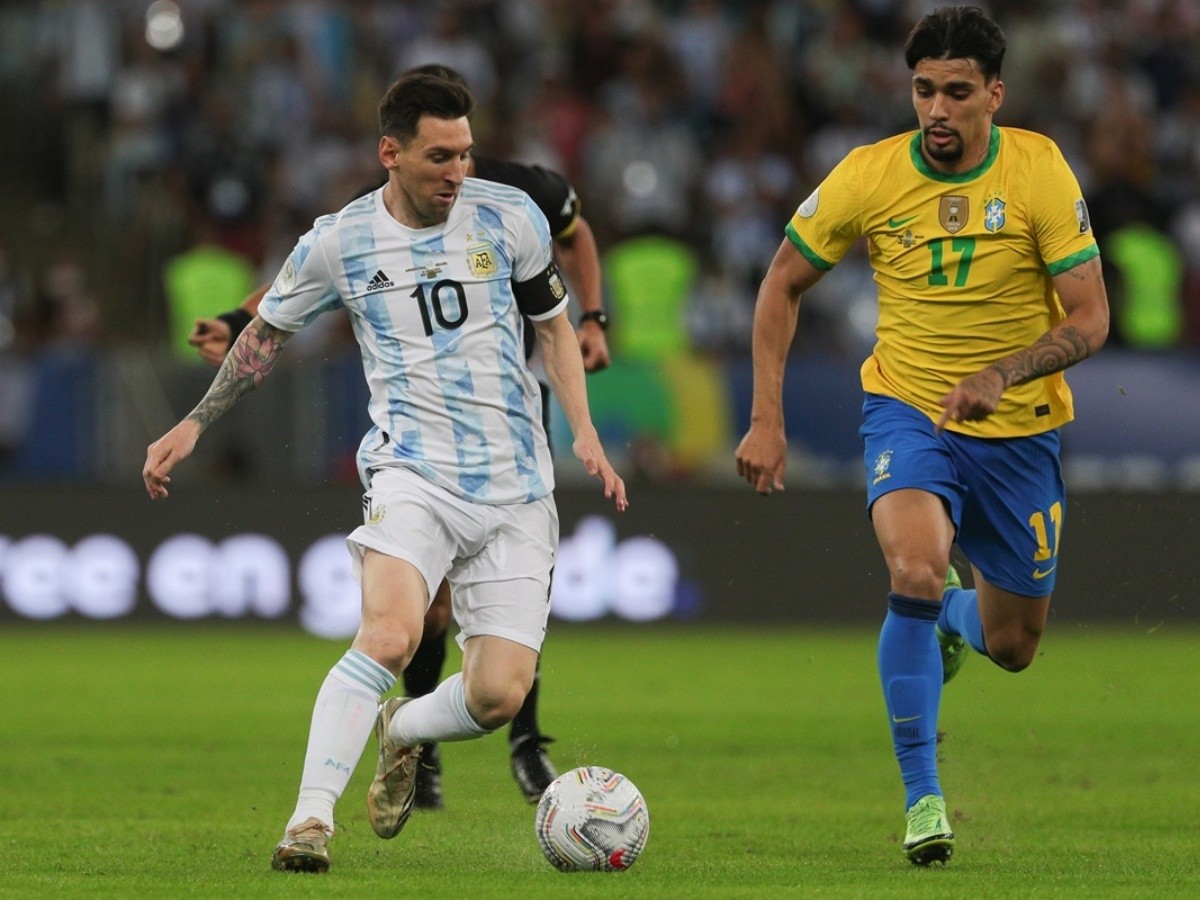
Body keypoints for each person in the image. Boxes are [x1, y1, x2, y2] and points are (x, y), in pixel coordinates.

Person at [143, 72, 627, 875]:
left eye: (465, 153)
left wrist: (585, 434)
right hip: (412, 473)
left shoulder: (511, 216)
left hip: (517, 485)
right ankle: (308, 822)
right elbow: (266, 334)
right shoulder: (341, 240)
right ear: (390, 154)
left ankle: (401, 727)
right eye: (440, 157)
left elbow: (552, 328)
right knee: (391, 634)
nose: (458, 172)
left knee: (498, 696)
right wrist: (194, 423)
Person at [734, 5, 1109, 866]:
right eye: (924, 90)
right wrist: (765, 418)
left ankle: (951, 614)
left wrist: (1002, 374)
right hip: (908, 409)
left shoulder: (1038, 168)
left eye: (957, 93)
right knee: (911, 567)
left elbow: (1091, 317)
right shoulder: (868, 175)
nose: (937, 109)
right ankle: (923, 799)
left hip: (1020, 430)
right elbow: (781, 283)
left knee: (1013, 645)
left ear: (995, 95)